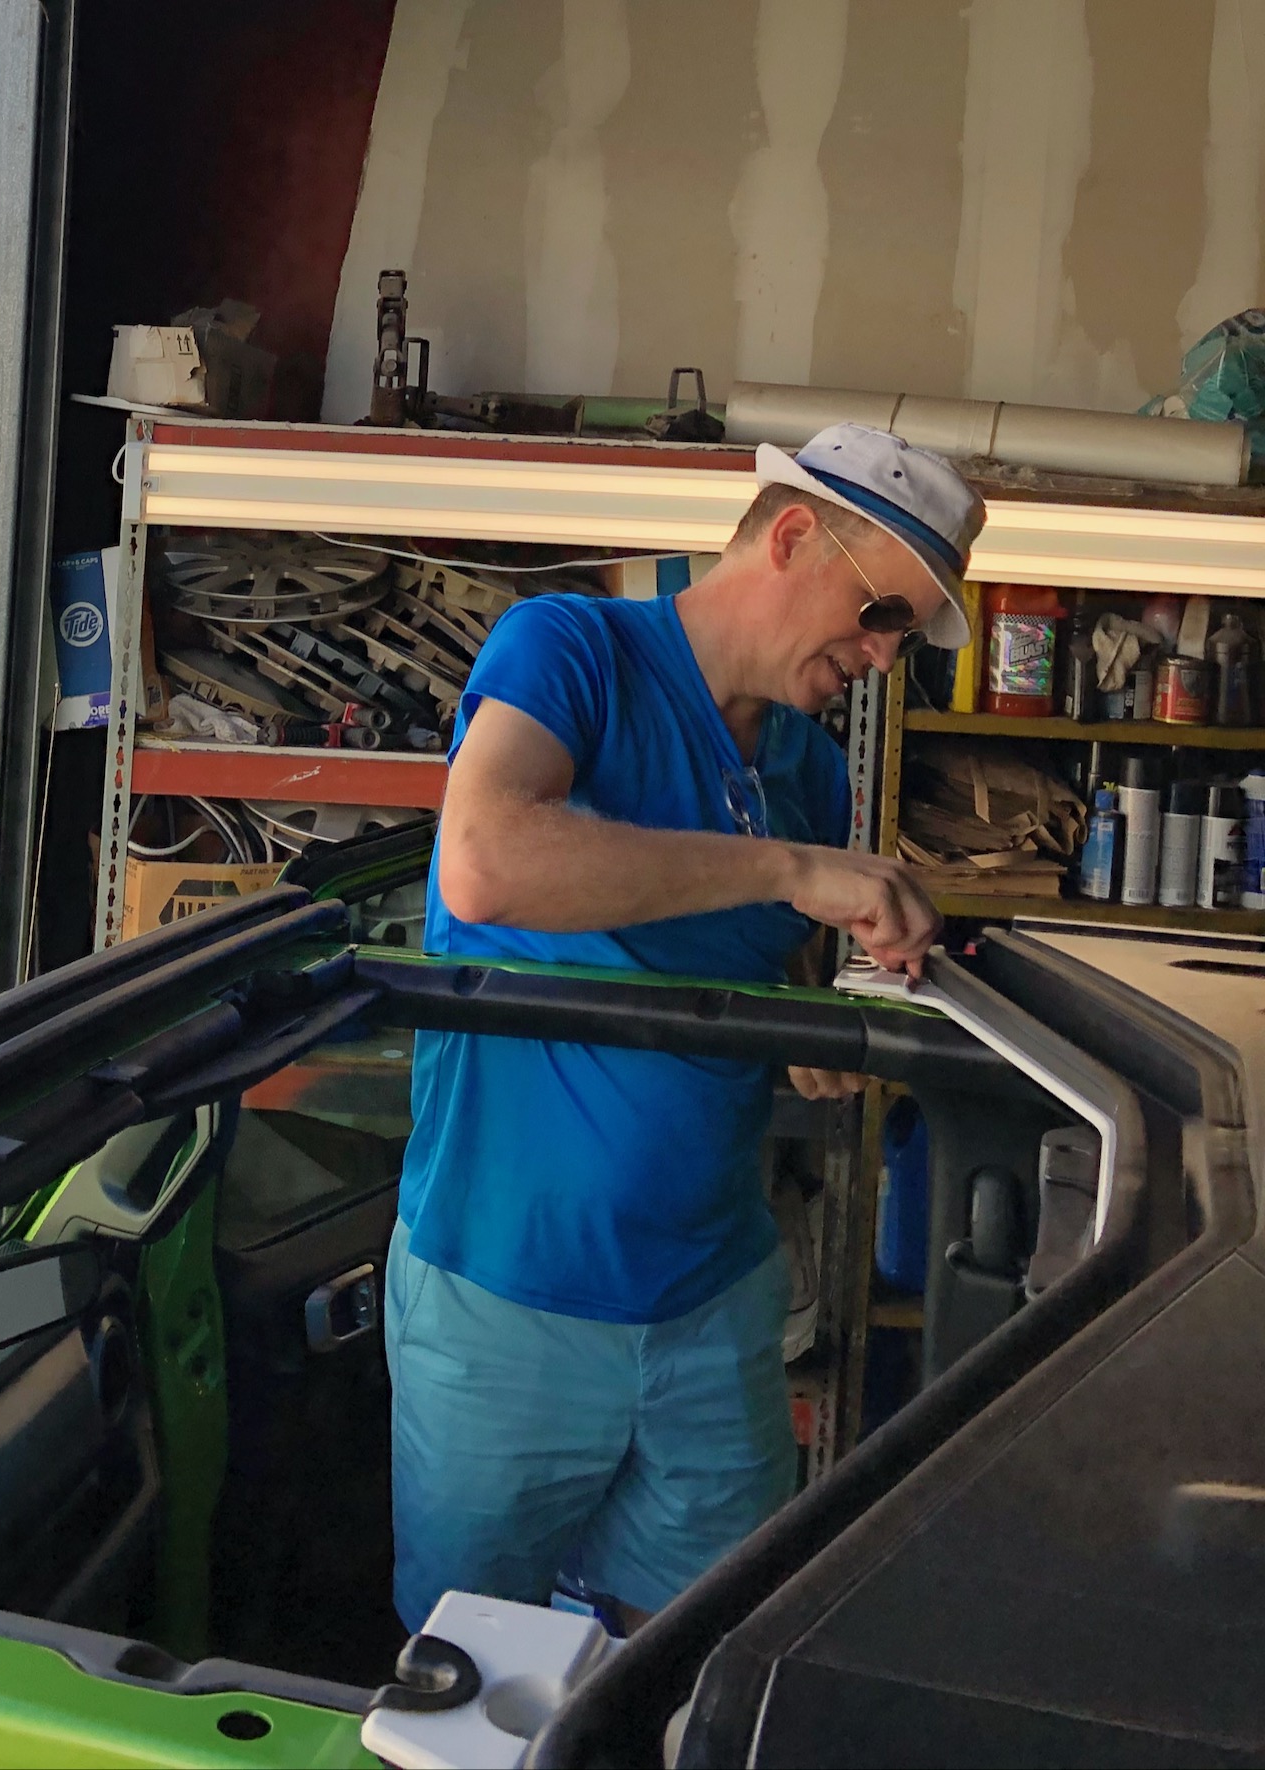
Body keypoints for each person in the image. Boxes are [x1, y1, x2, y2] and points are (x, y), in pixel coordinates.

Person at [386, 421, 984, 1635]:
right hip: (510, 1302)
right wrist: (784, 874)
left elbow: (771, 984)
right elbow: (486, 862)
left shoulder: (809, 773)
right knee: (467, 1683)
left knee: (691, 1670)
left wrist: (817, 1021)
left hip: (713, 1307)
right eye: (882, 614)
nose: (882, 656)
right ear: (793, 534)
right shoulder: (572, 650)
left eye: (906, 635)